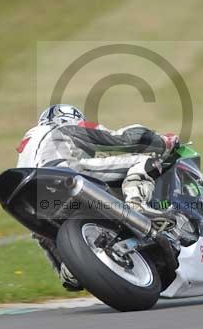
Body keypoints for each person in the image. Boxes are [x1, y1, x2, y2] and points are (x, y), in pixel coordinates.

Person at [16, 104, 179, 290]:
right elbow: (120, 138)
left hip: (33, 194)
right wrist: (161, 142)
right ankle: (137, 206)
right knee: (144, 162)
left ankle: (67, 267)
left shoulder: (28, 142)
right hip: (63, 171)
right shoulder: (65, 126)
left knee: (42, 231)